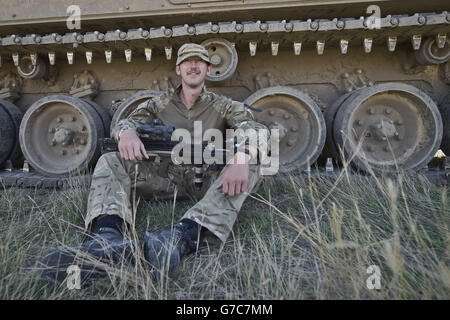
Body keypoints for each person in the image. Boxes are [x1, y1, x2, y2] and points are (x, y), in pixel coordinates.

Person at [39, 43, 270, 286]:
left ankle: (180, 238)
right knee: (111, 159)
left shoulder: (223, 105)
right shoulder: (158, 103)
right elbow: (126, 122)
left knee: (253, 166)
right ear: (178, 69)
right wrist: (126, 133)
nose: (193, 65)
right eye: (187, 61)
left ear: (208, 70)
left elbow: (256, 129)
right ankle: (105, 238)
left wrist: (243, 156)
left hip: (205, 181)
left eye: (199, 61)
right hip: (164, 180)